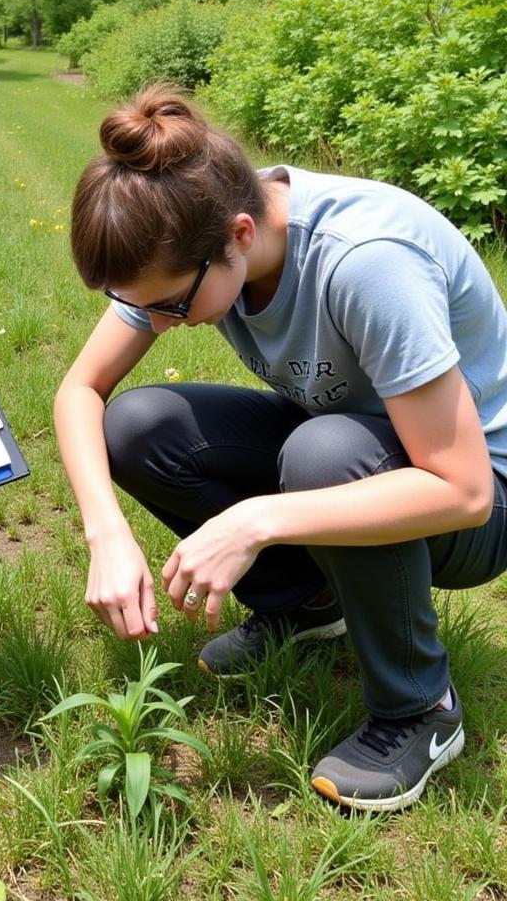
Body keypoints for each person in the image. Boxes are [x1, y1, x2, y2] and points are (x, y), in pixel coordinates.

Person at [54, 85, 507, 812]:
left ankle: (419, 709)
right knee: (138, 427)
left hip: (477, 500)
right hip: (357, 448)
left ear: (238, 235)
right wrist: (104, 532)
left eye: (170, 305)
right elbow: (80, 390)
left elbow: (464, 489)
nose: (161, 325)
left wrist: (253, 521)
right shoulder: (189, 229)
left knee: (323, 455)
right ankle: (306, 606)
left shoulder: (366, 263)